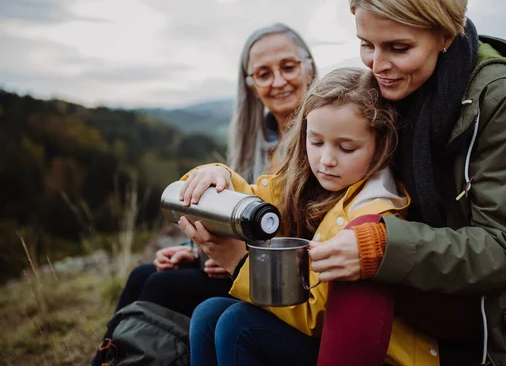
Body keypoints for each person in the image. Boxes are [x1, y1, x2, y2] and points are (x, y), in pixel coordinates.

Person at [309, 0, 506, 366]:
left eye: (398, 47)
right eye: (366, 45)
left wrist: (381, 248)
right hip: (433, 276)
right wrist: (234, 195)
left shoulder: (505, 102)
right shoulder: (388, 90)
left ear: (446, 36)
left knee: (366, 256)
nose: (377, 65)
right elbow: (332, 174)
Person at [178, 68, 434, 366]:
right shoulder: (306, 184)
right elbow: (254, 201)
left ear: (381, 143)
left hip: (377, 355)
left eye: (346, 147)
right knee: (208, 315)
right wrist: (214, 175)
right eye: (316, 142)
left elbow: (322, 317)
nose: (326, 160)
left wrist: (238, 262)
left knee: (238, 325)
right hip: (315, 335)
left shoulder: (376, 212)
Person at [111, 23, 317, 318]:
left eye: (288, 67)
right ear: (251, 85)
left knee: (162, 286)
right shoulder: (258, 144)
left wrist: (237, 256)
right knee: (142, 276)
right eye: (264, 74)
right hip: (240, 267)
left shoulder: (324, 142)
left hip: (278, 280)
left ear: (309, 67)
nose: (279, 80)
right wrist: (195, 251)